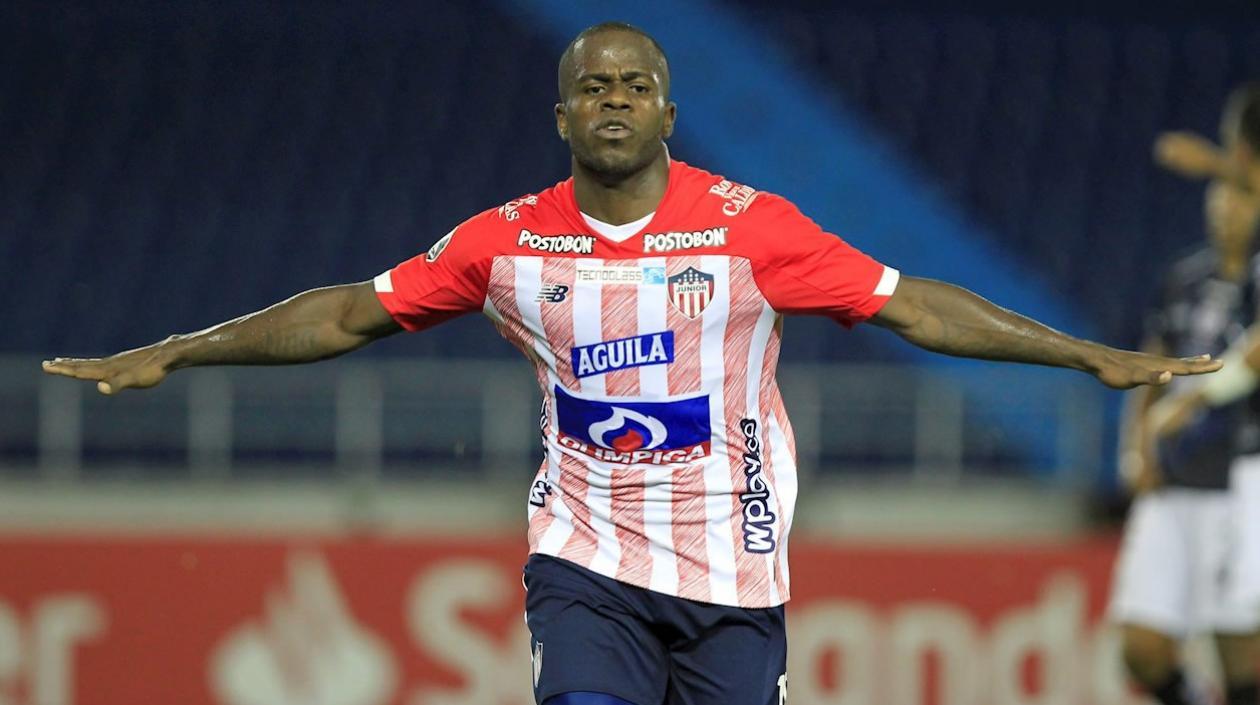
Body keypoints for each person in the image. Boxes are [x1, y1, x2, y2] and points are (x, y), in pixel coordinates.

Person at [42, 22, 1223, 705]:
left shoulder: (755, 230)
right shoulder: (504, 243)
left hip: (735, 580)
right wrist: (183, 352)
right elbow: (349, 313)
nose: (613, 99)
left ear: (667, 111)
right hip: (584, 564)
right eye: (591, 86)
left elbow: (914, 306)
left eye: (635, 85)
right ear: (563, 116)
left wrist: (1079, 356)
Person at [1110, 176, 1260, 705]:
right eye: (1217, 198)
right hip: (1173, 486)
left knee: (1242, 655)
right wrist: (1135, 449)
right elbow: (1150, 364)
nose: (1224, 210)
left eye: (1239, 196)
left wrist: (1196, 403)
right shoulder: (1185, 278)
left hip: (1238, 485)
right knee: (1140, 650)